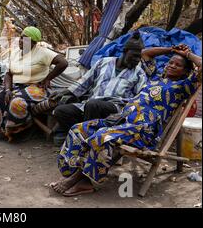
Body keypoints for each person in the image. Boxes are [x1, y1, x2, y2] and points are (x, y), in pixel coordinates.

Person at [51, 44, 202, 197]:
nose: (172, 66)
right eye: (171, 62)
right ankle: (71, 170)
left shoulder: (184, 85)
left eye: (178, 65)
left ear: (185, 71)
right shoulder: (156, 78)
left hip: (143, 129)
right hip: (121, 120)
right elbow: (145, 54)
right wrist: (172, 50)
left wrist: (188, 54)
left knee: (102, 136)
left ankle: (84, 182)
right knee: (78, 129)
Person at [52, 32, 147, 138]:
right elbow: (84, 81)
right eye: (134, 56)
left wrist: (126, 113)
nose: (137, 60)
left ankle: (89, 141)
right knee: (61, 111)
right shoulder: (103, 63)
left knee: (93, 105)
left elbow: (140, 99)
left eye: (139, 57)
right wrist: (64, 92)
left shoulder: (139, 73)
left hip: (116, 108)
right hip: (90, 105)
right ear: (125, 51)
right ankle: (81, 137)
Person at [0, 27, 68, 141]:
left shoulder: (42, 52)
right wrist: (8, 90)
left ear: (34, 43)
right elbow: (8, 74)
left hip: (36, 88)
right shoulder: (16, 52)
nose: (21, 41)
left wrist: (48, 79)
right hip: (17, 87)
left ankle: (18, 132)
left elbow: (63, 62)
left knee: (17, 102)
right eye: (21, 38)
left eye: (26, 39)